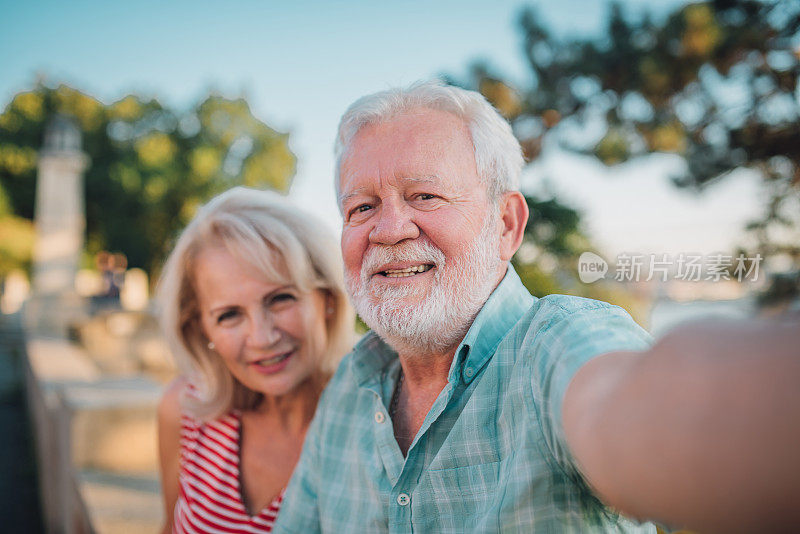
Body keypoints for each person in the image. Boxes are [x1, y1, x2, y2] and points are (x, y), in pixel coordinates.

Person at [273, 82, 800, 533]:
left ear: (506, 224)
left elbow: (635, 405)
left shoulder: (557, 345)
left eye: (425, 196)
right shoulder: (349, 386)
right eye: (361, 207)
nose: (388, 230)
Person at [156, 187, 354, 533]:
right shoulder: (184, 409)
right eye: (229, 315)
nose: (262, 337)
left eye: (280, 298)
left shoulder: (375, 424)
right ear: (201, 328)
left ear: (328, 299)